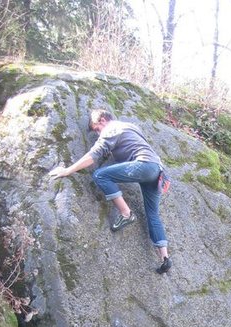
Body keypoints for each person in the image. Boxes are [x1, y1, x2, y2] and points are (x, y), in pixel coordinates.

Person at [49, 108, 172, 274]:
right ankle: (165, 258)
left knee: (100, 175)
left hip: (144, 165)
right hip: (158, 172)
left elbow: (93, 155)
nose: (98, 133)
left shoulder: (111, 129)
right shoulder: (131, 127)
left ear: (102, 121)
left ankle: (126, 213)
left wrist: (67, 171)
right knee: (153, 214)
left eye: (97, 129)